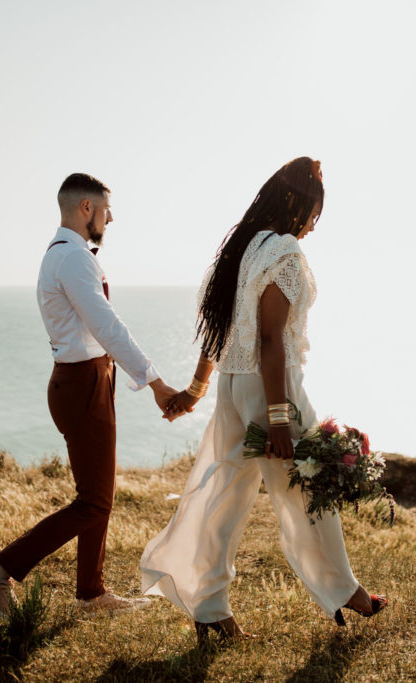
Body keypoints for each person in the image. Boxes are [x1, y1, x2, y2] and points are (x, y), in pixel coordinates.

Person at [140, 157, 386, 643]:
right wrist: (278, 418)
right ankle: (346, 593)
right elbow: (270, 339)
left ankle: (209, 605)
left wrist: (197, 388)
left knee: (226, 496)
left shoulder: (241, 248)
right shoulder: (284, 252)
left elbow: (221, 329)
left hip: (236, 384)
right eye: (315, 212)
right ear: (298, 205)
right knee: (308, 490)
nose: (314, 225)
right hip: (274, 387)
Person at [0, 173, 180, 618]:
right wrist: (156, 383)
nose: (111, 217)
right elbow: (107, 326)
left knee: (99, 494)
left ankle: (91, 593)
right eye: (106, 209)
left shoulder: (70, 255)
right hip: (81, 385)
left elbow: (101, 332)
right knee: (93, 501)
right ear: (86, 208)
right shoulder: (72, 259)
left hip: (91, 380)